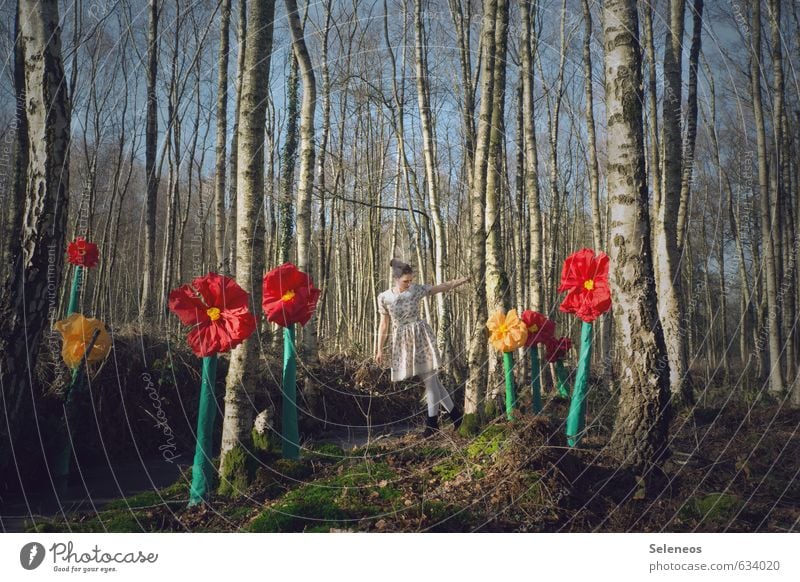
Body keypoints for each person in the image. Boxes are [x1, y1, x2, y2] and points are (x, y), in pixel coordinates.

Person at [374, 258, 469, 436]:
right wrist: (379, 349)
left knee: (431, 380)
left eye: (411, 280)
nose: (409, 284)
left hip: (421, 336)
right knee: (432, 381)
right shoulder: (384, 297)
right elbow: (384, 325)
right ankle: (456, 417)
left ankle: (432, 425)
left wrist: (461, 281)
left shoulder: (416, 290)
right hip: (404, 341)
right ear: (396, 279)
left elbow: (440, 287)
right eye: (405, 281)